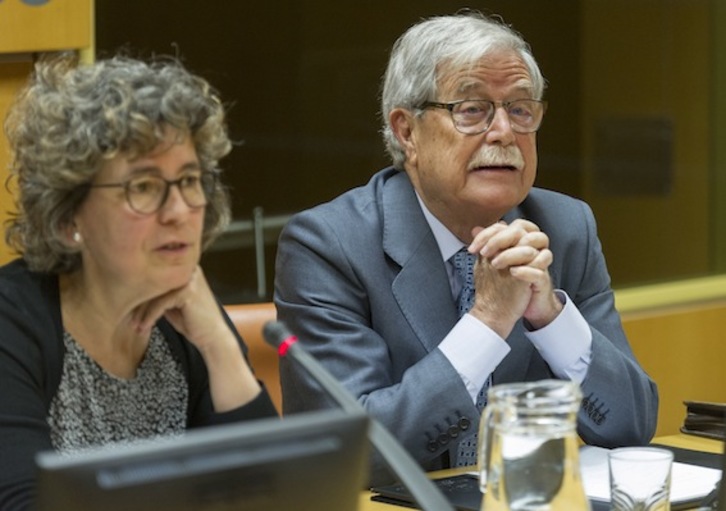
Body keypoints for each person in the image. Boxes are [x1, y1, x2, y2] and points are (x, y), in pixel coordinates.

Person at [274, 11, 658, 485]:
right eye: (472, 110)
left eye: (520, 110)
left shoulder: (564, 227)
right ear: (406, 132)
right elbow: (349, 453)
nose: (503, 132)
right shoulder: (329, 244)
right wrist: (488, 321)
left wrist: (551, 318)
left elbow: (631, 425)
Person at [0, 54, 278, 510]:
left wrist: (221, 348)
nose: (178, 211)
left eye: (189, 180)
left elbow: (275, 495)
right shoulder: (13, 324)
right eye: (144, 187)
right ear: (70, 216)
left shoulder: (190, 319)